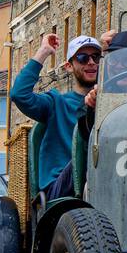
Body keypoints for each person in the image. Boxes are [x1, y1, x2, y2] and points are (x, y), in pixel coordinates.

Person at [10, 33, 99, 201]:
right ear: (69, 66)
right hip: (60, 188)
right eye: (82, 57)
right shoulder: (56, 103)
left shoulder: (110, 105)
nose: (91, 62)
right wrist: (43, 51)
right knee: (87, 160)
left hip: (100, 180)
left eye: (96, 57)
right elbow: (19, 95)